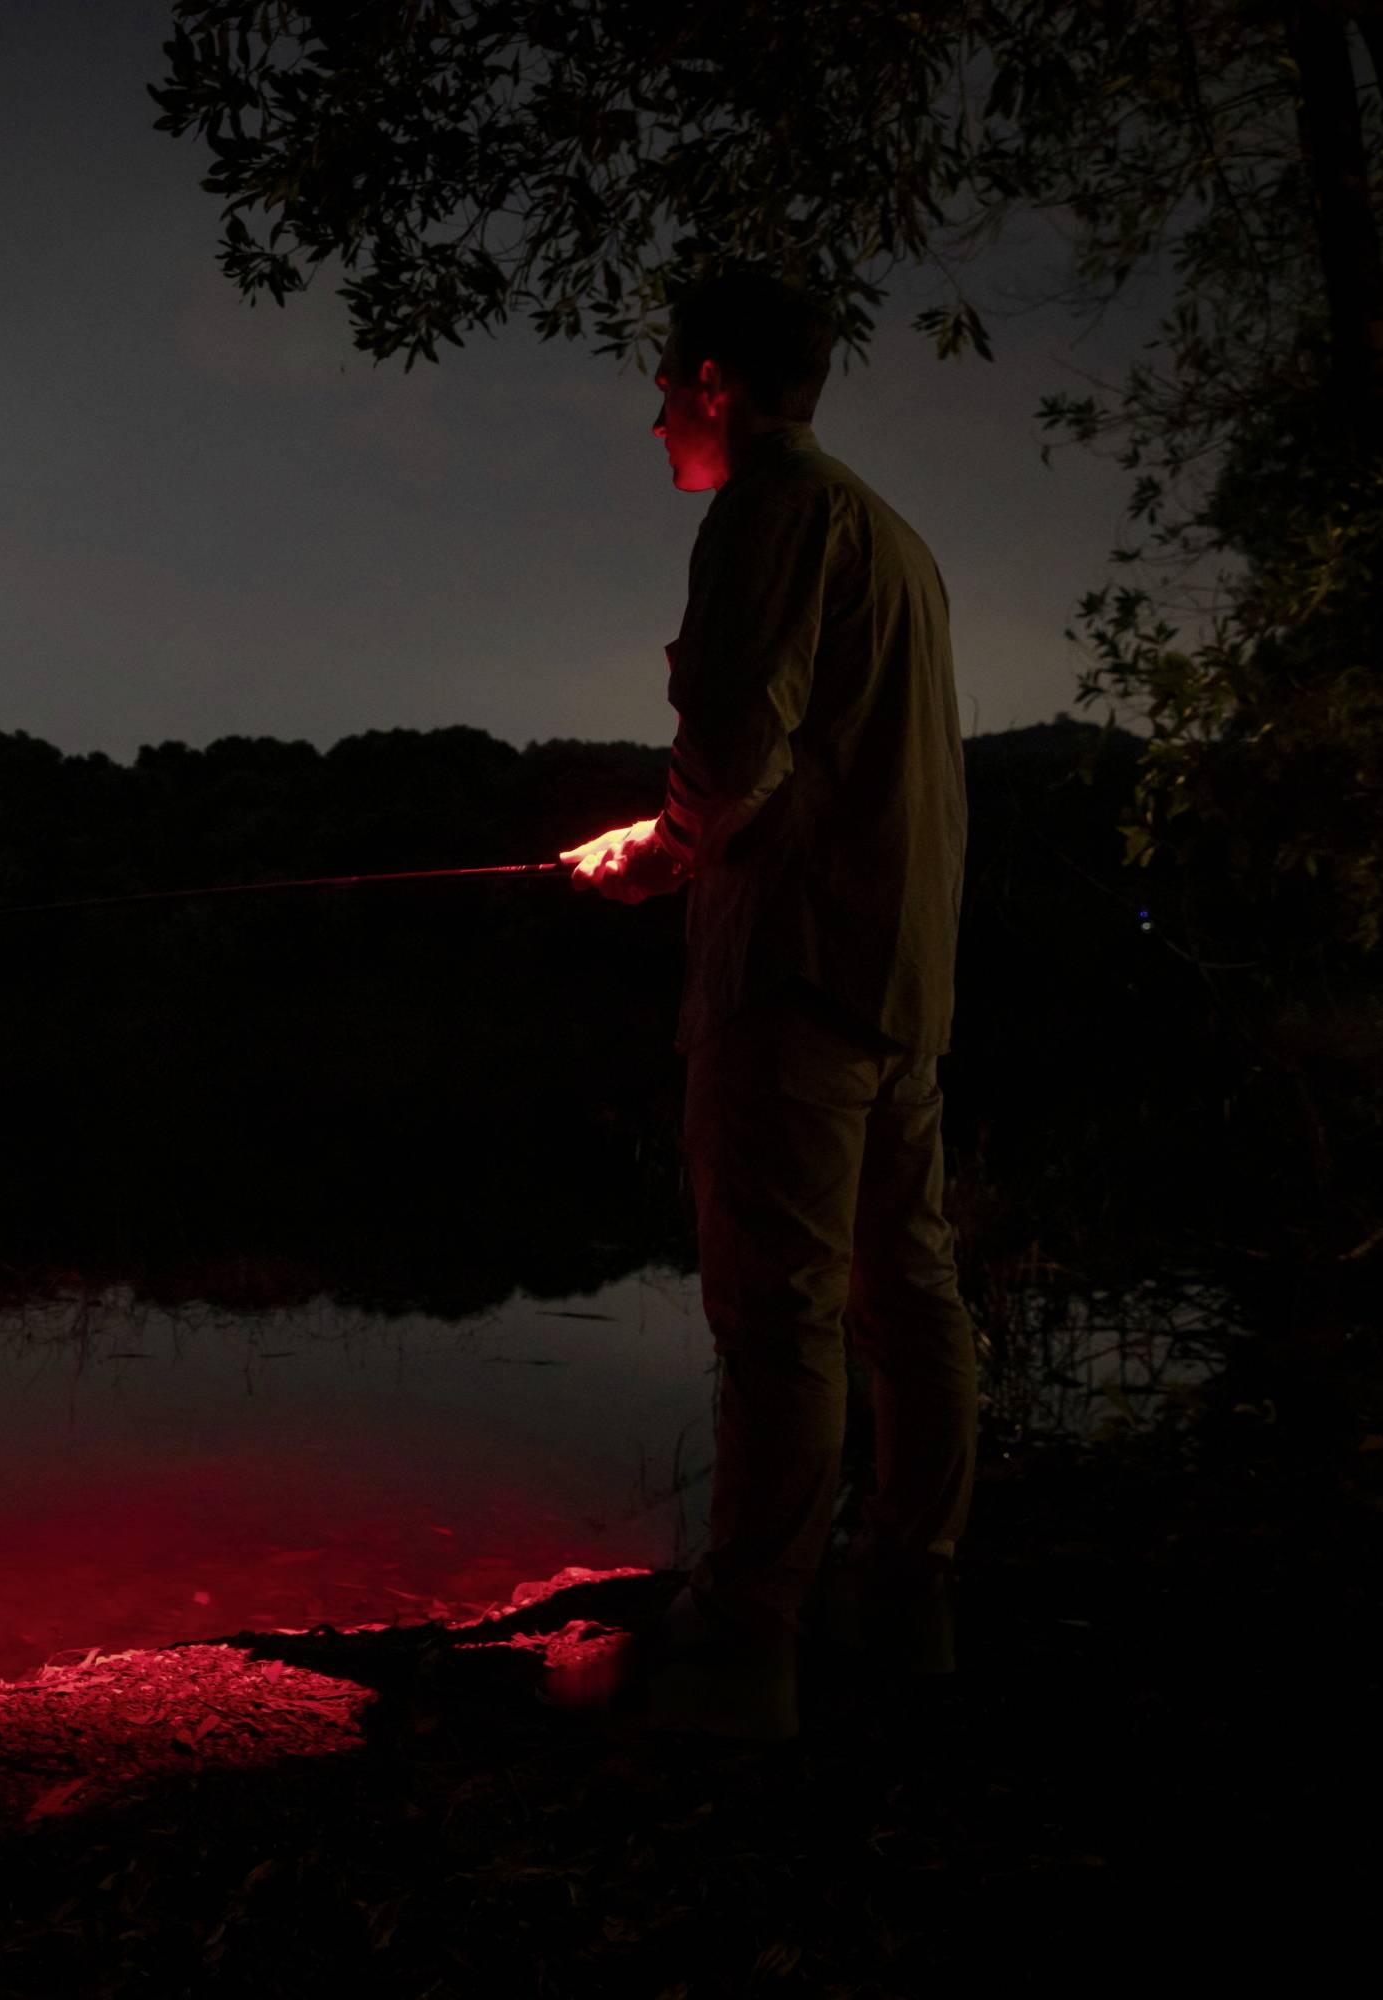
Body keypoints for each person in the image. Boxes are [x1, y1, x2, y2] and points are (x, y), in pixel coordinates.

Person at [555, 268, 977, 1741]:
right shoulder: (897, 539)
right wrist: (686, 828)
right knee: (908, 1294)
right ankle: (907, 1597)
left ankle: (742, 1650)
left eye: (666, 381)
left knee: (779, 1316)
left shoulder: (768, 512)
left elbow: (735, 741)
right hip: (899, 976)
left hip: (793, 974)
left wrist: (658, 852)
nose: (656, 410)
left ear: (714, 382)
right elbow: (817, 756)